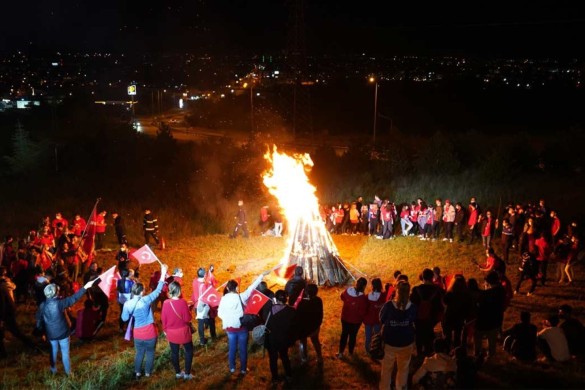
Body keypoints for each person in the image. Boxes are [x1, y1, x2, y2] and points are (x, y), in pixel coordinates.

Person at [36, 278, 95, 375]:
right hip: (63, 332)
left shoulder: (42, 305)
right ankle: (69, 374)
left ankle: (53, 370)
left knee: (53, 351)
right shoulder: (60, 303)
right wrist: (85, 287)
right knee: (65, 353)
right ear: (55, 294)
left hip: (51, 334)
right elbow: (74, 298)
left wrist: (41, 331)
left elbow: (39, 319)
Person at [217, 270, 269, 375]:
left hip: (230, 329)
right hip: (242, 328)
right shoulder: (241, 297)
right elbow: (251, 288)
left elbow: (220, 314)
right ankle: (243, 369)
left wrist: (227, 320)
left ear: (227, 288)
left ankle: (232, 368)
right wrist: (261, 276)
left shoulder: (223, 299)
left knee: (232, 348)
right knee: (243, 349)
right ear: (236, 288)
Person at [122, 262, 168, 378]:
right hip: (150, 332)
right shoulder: (146, 300)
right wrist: (163, 273)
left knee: (139, 353)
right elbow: (158, 290)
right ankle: (148, 373)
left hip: (137, 333)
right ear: (142, 292)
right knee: (150, 353)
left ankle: (137, 372)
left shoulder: (127, 304)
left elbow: (124, 318)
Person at [379, 281, 417, 390]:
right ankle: (400, 387)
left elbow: (381, 319)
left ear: (397, 291)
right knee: (403, 369)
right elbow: (414, 320)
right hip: (406, 342)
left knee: (386, 369)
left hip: (390, 342)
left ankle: (384, 388)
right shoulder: (412, 307)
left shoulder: (389, 305)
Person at [0, 268, 38, 358]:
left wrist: (1, 319)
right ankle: (3, 354)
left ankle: (31, 344)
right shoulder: (3, 286)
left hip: (6, 314)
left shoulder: (1, 288)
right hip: (7, 313)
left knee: (16, 332)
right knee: (12, 333)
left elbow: (2, 305)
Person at [161, 281, 194, 380]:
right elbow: (188, 318)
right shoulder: (183, 302)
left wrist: (165, 329)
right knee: (189, 351)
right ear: (179, 290)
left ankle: (178, 373)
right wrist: (189, 310)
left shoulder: (166, 303)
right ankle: (187, 374)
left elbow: (163, 318)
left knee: (174, 352)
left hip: (171, 332)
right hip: (183, 332)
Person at [410, 268, 444, 357]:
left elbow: (412, 304)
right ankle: (429, 354)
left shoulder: (416, 289)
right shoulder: (438, 290)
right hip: (431, 318)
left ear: (422, 277)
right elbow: (440, 305)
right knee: (429, 334)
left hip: (418, 318)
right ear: (432, 277)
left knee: (419, 334)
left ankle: (419, 353)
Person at [265, 290, 296, 383]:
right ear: (286, 299)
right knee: (284, 356)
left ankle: (275, 378)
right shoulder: (291, 310)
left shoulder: (270, 310)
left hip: (273, 339)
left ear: (276, 299)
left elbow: (267, 324)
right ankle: (289, 375)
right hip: (284, 339)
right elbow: (293, 325)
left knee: (273, 359)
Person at [474, 271, 506, 361]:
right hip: (496, 320)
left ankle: (478, 356)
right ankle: (491, 356)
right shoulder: (501, 290)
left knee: (478, 339)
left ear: (488, 282)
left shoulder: (487, 294)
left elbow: (480, 305)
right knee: (492, 340)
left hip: (484, 321)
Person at [337, 277, 368, 358]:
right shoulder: (363, 298)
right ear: (364, 286)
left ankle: (340, 353)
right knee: (353, 336)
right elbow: (362, 312)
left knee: (344, 334)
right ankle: (350, 353)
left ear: (356, 283)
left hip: (345, 318)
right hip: (356, 321)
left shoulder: (348, 290)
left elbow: (342, 297)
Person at [296, 283, 323, 365]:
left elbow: (298, 317)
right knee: (315, 341)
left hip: (304, 328)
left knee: (303, 342)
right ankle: (319, 357)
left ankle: (304, 358)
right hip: (315, 327)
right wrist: (317, 325)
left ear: (306, 292)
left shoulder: (302, 303)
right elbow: (320, 315)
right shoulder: (318, 300)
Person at [442, 275, 471, 350]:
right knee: (457, 336)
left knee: (447, 336)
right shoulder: (466, 295)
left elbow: (444, 301)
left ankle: (447, 351)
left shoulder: (450, 294)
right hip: (459, 318)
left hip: (449, 317)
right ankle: (456, 352)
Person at [363, 278, 385, 353]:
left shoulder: (367, 296)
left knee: (368, 337)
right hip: (377, 319)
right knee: (377, 336)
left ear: (372, 285)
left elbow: (365, 308)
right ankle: (376, 350)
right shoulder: (383, 296)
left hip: (368, 319)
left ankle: (368, 351)